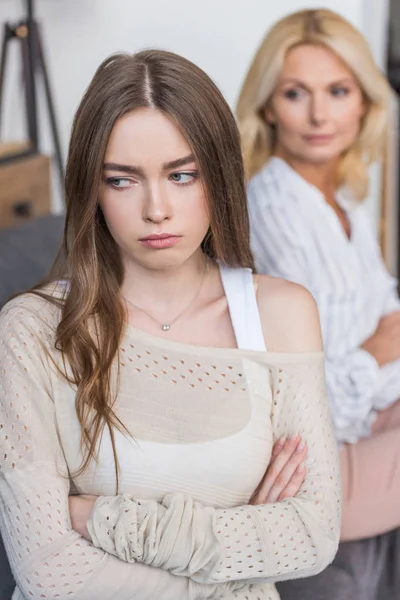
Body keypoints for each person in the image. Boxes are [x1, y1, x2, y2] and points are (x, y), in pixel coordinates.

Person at [0, 49, 340, 600]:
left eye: (183, 175)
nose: (157, 209)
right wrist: (237, 569)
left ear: (220, 176)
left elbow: (312, 535)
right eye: (122, 180)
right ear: (91, 189)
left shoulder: (280, 314)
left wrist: (98, 520)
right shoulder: (33, 330)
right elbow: (48, 574)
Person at [236, 7, 400, 598]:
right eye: (295, 93)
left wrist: (378, 352)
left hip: (367, 418)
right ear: (268, 107)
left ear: (364, 103)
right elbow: (318, 400)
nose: (319, 114)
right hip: (314, 463)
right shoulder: (274, 209)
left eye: (337, 90)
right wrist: (378, 352)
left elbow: (389, 312)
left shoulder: (343, 200)